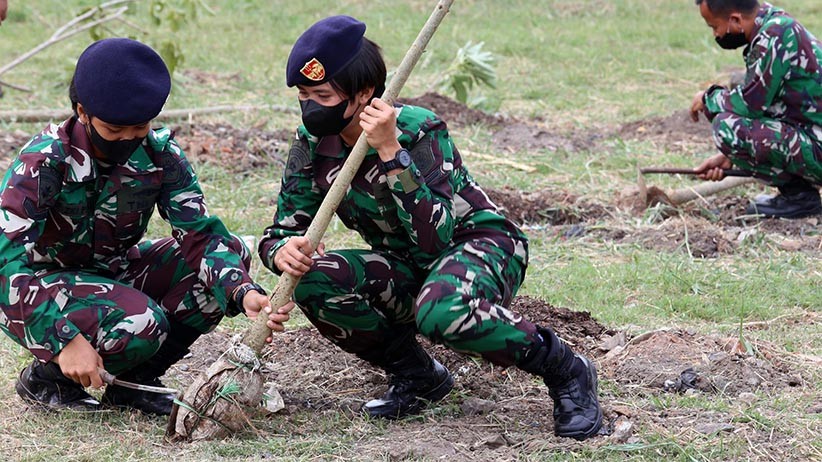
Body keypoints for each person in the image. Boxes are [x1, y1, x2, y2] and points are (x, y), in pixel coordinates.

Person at [258, 16, 602, 440]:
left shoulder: (418, 129)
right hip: (407, 264)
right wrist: (281, 252)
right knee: (313, 280)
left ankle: (566, 370)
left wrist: (390, 151)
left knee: (441, 310)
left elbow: (433, 239)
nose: (310, 107)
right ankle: (418, 376)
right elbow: (280, 231)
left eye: (323, 96)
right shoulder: (312, 144)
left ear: (364, 93)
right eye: (303, 95)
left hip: (479, 246)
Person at [0, 38, 292, 416]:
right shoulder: (45, 161)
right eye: (114, 129)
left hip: (111, 271)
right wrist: (63, 341)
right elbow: (5, 263)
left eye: (139, 127)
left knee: (230, 252)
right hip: (43, 285)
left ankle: (136, 383)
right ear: (83, 112)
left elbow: (199, 235)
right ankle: (48, 379)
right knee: (143, 321)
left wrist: (243, 291)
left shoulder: (159, 154)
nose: (127, 138)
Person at [690, 0, 822, 218]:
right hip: (813, 136)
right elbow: (771, 108)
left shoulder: (774, 36)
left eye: (715, 27)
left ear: (735, 20)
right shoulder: (774, 24)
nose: (716, 35)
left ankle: (799, 198)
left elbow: (749, 105)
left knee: (726, 127)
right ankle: (800, 195)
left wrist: (708, 98)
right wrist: (731, 156)